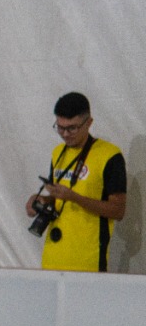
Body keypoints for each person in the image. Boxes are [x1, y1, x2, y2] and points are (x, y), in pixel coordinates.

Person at [25, 92, 126, 272]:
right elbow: (58, 197)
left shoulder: (110, 155)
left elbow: (118, 210)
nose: (65, 134)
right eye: (60, 127)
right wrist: (42, 200)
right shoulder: (58, 152)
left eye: (71, 128)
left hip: (88, 260)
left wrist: (74, 198)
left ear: (89, 123)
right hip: (53, 256)